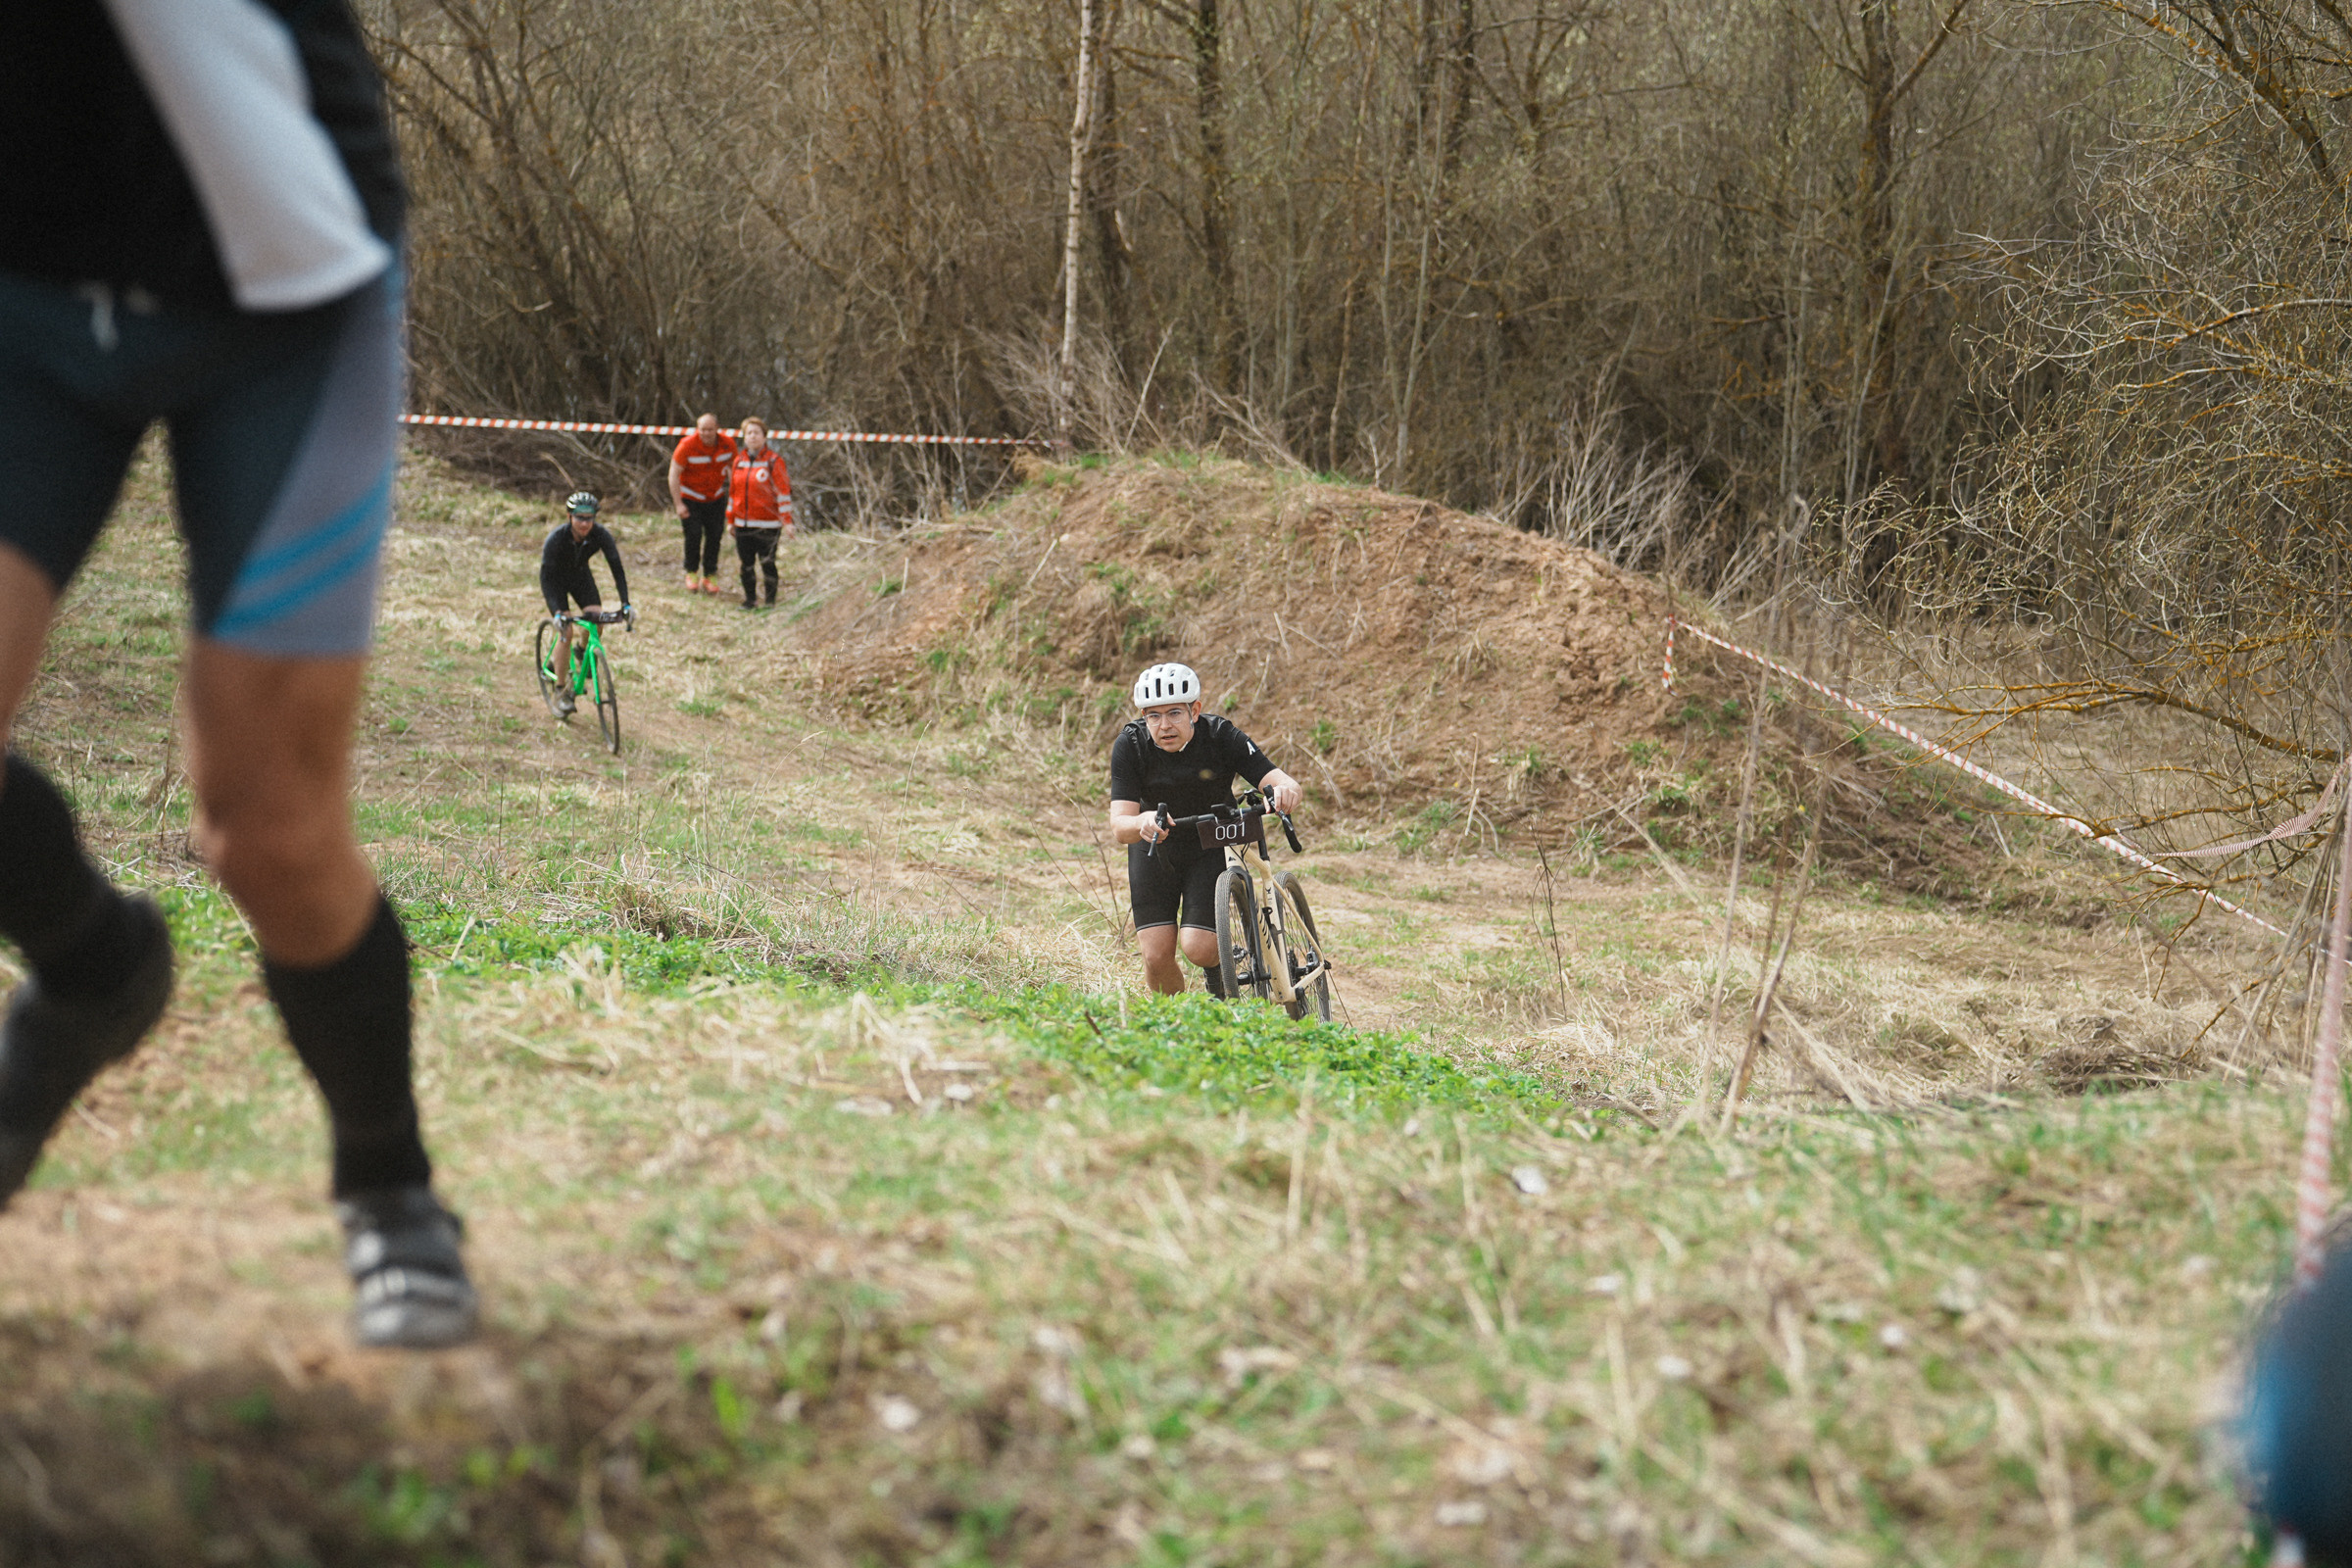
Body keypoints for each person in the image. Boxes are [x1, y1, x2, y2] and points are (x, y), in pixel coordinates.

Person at [0, 0, 475, 1346]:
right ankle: (97, 972)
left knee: (267, 825)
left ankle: (389, 1183)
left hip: (280, 282)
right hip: (18, 288)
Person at [1105, 662, 1303, 996]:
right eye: (1153, 716)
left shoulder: (1220, 736)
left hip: (1210, 842)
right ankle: (1177, 1024)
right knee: (1155, 956)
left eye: (1174, 714)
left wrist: (1285, 791)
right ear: (1143, 716)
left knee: (1199, 947)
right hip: (1154, 845)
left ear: (1194, 710)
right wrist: (1141, 820)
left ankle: (1218, 977)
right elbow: (1120, 826)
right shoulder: (1131, 745)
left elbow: (1280, 779)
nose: (1164, 725)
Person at [538, 492, 633, 710]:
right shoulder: (556, 539)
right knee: (567, 631)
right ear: (569, 517)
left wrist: (625, 603)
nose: (584, 523)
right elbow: (546, 575)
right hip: (555, 581)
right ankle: (561, 689)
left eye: (589, 518)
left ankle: (581, 651)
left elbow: (617, 569)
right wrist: (559, 614)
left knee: (597, 620)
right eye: (579, 518)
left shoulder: (601, 535)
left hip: (581, 578)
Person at [726, 417, 795, 609]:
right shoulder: (738, 461)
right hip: (742, 524)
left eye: (757, 432)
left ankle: (770, 602)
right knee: (746, 565)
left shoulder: (774, 461)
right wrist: (730, 519)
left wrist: (787, 521)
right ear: (744, 437)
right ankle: (750, 600)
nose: (753, 436)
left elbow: (783, 493)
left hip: (768, 525)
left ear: (764, 436)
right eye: (749, 433)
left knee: (767, 563)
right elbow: (733, 493)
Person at [667, 412, 734, 596]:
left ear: (717, 429)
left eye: (710, 430)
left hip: (716, 498)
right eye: (702, 430)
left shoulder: (727, 444)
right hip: (691, 498)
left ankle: (710, 574)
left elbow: (733, 469)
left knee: (715, 535)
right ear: (697, 429)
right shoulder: (687, 446)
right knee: (694, 534)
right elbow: (673, 474)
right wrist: (678, 504)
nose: (706, 433)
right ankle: (691, 572)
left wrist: (735, 498)